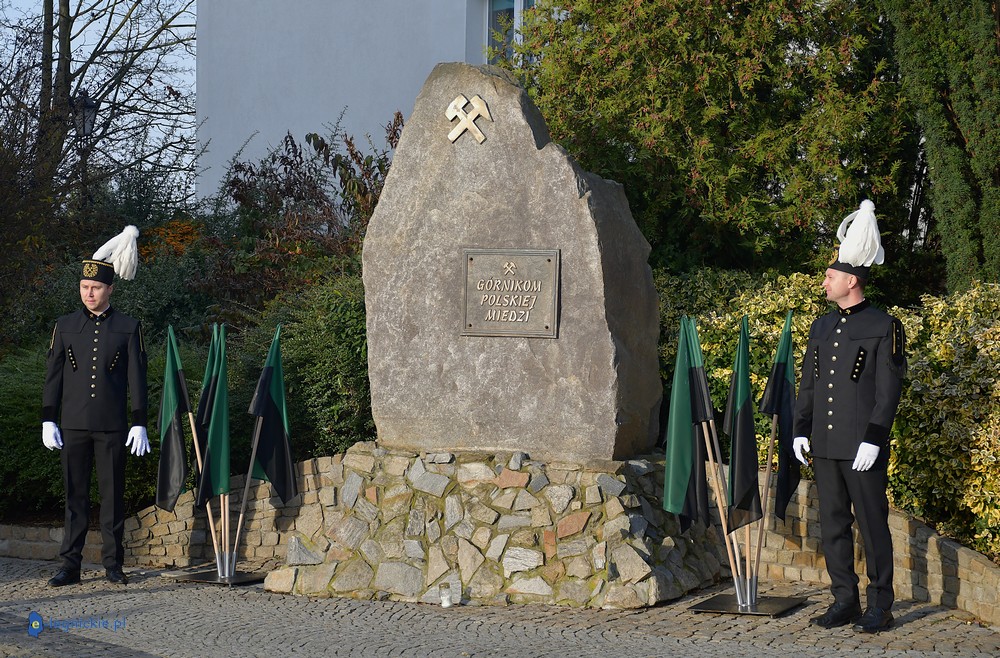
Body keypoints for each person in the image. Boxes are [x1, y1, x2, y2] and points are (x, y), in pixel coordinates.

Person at [792, 200, 906, 634]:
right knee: (833, 525)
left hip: (862, 447)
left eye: (829, 276)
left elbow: (888, 391)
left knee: (873, 525)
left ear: (851, 281)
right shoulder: (821, 327)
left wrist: (874, 438)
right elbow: (810, 383)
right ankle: (844, 599)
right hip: (825, 445)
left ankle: (881, 605)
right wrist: (801, 429)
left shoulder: (884, 325)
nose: (824, 282)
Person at [42, 226, 149, 586]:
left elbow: (137, 378)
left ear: (110, 289)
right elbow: (53, 376)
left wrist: (139, 421)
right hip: (72, 424)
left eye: (96, 288)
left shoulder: (129, 327)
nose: (89, 293)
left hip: (112, 426)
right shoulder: (65, 326)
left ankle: (113, 565)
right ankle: (70, 566)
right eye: (85, 287)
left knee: (112, 497)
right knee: (74, 497)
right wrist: (48, 418)